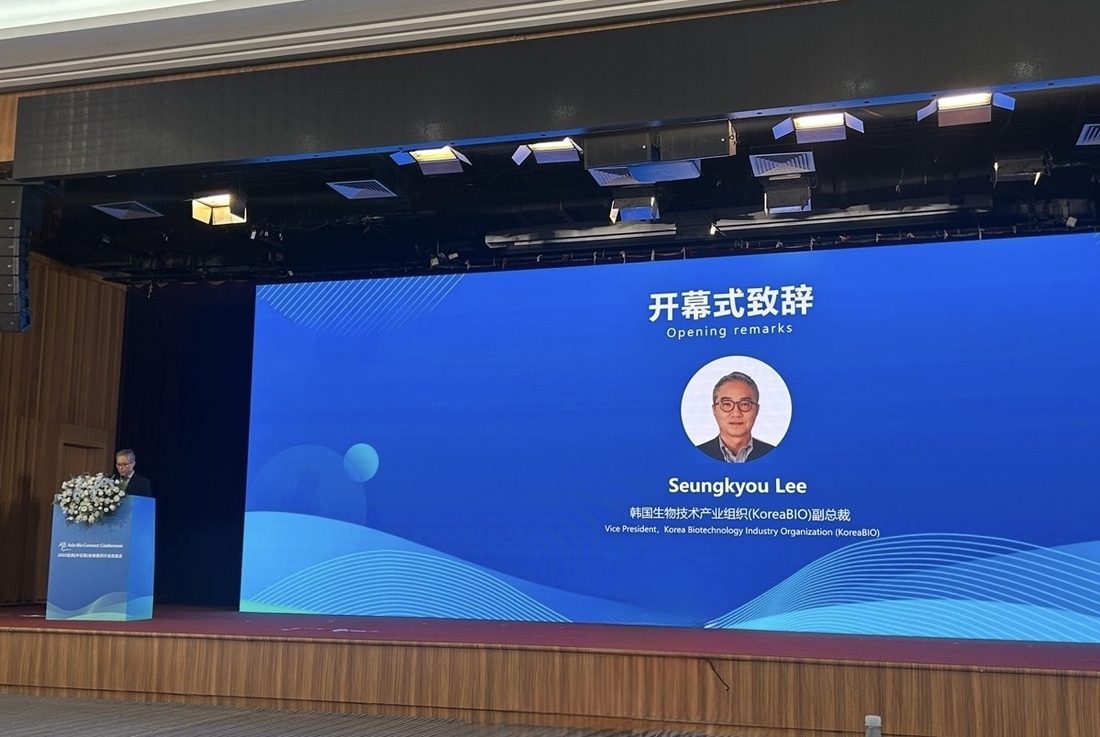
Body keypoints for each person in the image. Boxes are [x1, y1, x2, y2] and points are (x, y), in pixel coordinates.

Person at [696, 371, 775, 463]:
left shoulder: (775, 456)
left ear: (757, 410)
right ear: (714, 410)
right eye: (726, 404)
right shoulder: (695, 456)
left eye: (745, 404)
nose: (736, 413)